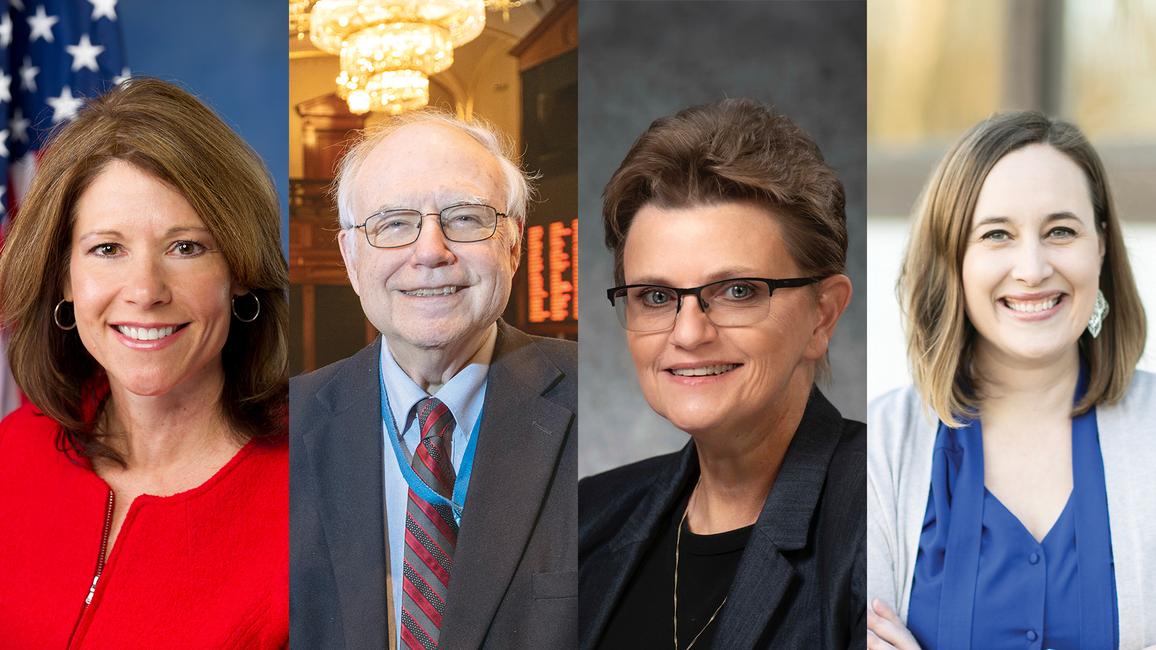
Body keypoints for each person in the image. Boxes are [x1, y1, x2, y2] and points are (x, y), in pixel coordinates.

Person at [0, 78, 289, 648]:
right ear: (63, 278)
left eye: (186, 247)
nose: (145, 290)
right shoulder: (14, 449)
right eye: (107, 249)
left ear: (240, 270)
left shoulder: (312, 493)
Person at [579, 98, 864, 649]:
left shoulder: (880, 518)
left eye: (737, 291)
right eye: (656, 296)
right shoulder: (592, 515)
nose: (688, 334)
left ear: (822, 314)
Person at [866, 111, 1156, 650]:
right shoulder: (875, 455)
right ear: (953, 258)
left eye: (1061, 231)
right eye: (996, 234)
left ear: (1101, 246)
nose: (1032, 267)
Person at [289, 110, 578, 649]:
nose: (429, 252)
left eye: (465, 218)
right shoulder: (280, 424)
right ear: (351, 258)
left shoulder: (608, 406)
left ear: (513, 246)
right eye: (394, 223)